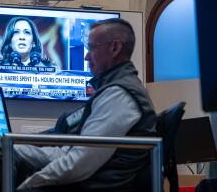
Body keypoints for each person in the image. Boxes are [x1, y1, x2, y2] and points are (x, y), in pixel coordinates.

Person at [14, 18, 157, 192]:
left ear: (115, 48)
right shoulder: (113, 90)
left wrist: (28, 185)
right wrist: (16, 149)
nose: (86, 56)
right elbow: (70, 153)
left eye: (91, 48)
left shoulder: (119, 94)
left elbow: (79, 163)